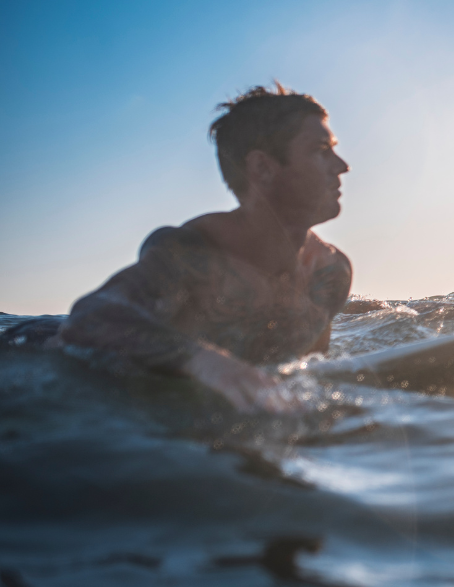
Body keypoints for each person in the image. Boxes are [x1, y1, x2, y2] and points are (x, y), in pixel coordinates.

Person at [47, 83, 352, 412]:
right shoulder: (193, 253)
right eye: (321, 150)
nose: (342, 166)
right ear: (263, 168)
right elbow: (88, 320)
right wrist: (204, 362)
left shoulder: (330, 273)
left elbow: (309, 377)